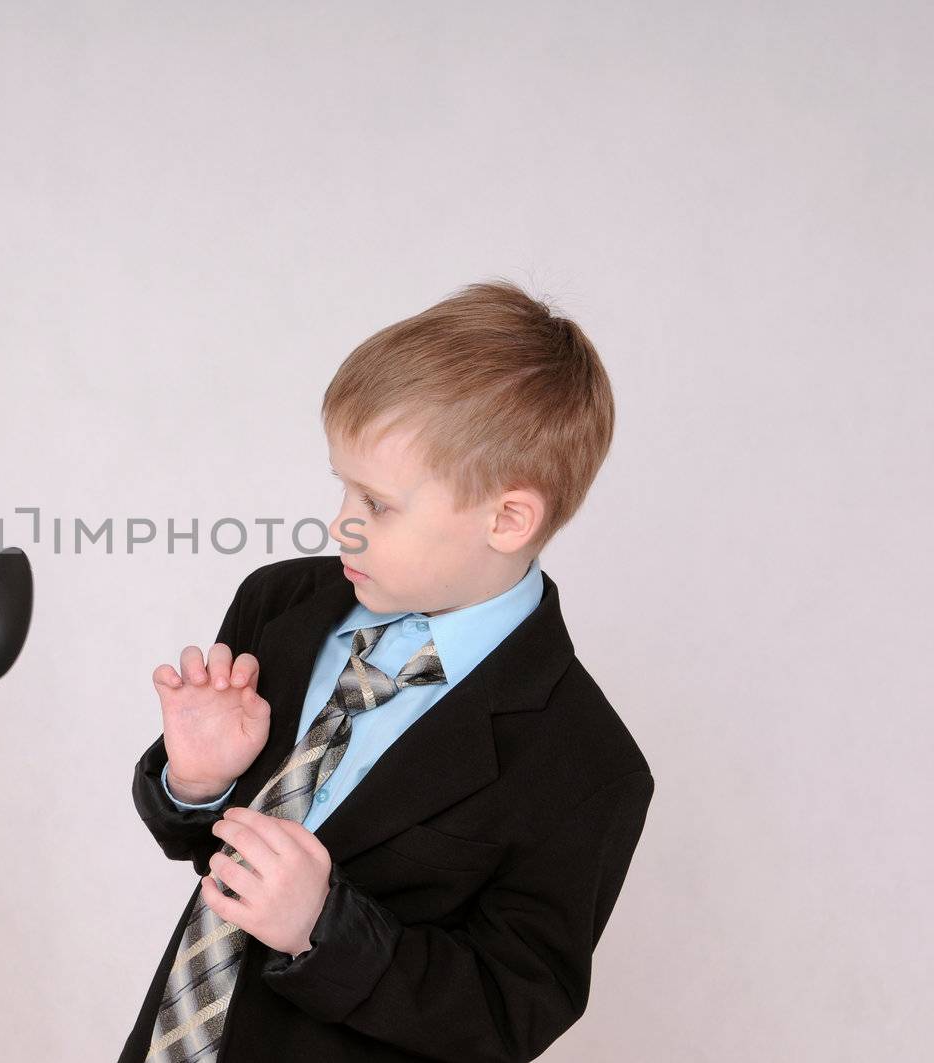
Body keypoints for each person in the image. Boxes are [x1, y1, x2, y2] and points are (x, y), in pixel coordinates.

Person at [122, 280, 654, 1062]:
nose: (341, 520)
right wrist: (197, 785)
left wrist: (322, 929)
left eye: (377, 502)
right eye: (342, 484)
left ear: (508, 518)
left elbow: (507, 1014)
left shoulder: (586, 764)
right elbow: (210, 853)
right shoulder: (280, 603)